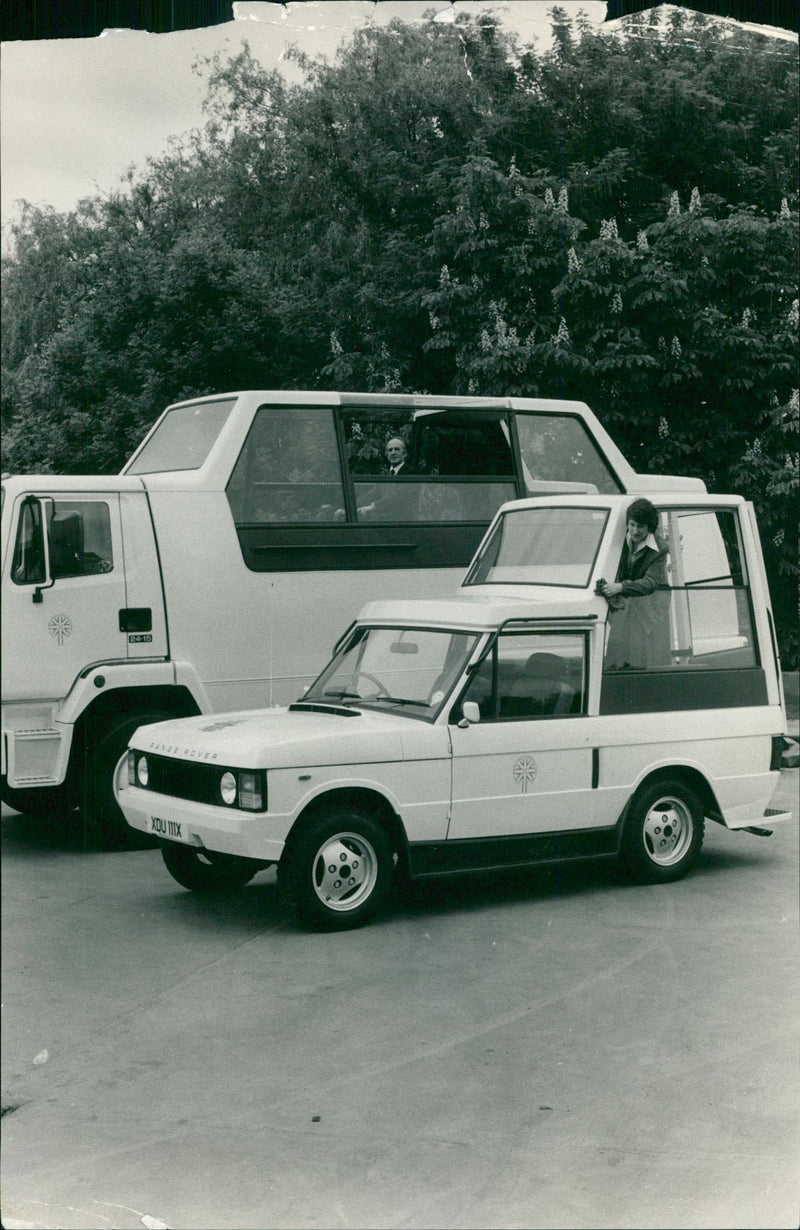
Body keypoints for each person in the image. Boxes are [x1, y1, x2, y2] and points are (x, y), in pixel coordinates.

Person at [600, 497, 670, 670]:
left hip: (650, 606)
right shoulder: (618, 537)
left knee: (646, 657)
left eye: (641, 527)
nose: (635, 530)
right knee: (618, 654)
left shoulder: (660, 547)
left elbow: (650, 582)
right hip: (626, 604)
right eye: (632, 524)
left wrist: (621, 587)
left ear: (650, 528)